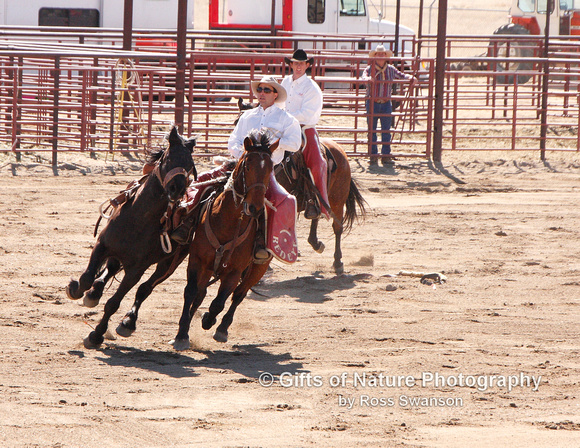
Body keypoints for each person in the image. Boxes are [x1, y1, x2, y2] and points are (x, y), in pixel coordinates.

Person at [228, 75, 301, 262]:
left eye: (266, 90)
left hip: (268, 171)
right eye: (259, 89)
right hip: (241, 166)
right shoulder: (247, 116)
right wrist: (242, 155)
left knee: (282, 201)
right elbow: (233, 141)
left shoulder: (286, 119)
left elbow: (295, 143)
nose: (261, 93)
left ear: (275, 94)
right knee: (206, 186)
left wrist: (273, 146)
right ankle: (189, 225)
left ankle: (264, 241)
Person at [282, 49, 329, 220]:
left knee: (316, 163)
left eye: (301, 63)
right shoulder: (285, 82)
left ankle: (316, 200)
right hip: (283, 126)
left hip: (304, 129)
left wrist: (286, 117)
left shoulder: (312, 88)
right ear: (291, 65)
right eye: (295, 63)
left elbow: (308, 114)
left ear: (307, 65)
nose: (298, 66)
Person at [361, 44, 416, 166]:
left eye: (382, 54)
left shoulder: (391, 69)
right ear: (375, 56)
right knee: (372, 131)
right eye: (378, 54)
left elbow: (401, 75)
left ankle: (385, 156)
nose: (380, 56)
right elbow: (363, 77)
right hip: (372, 102)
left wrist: (410, 77)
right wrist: (367, 79)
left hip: (386, 103)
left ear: (385, 56)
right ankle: (373, 156)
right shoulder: (369, 69)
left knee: (386, 130)